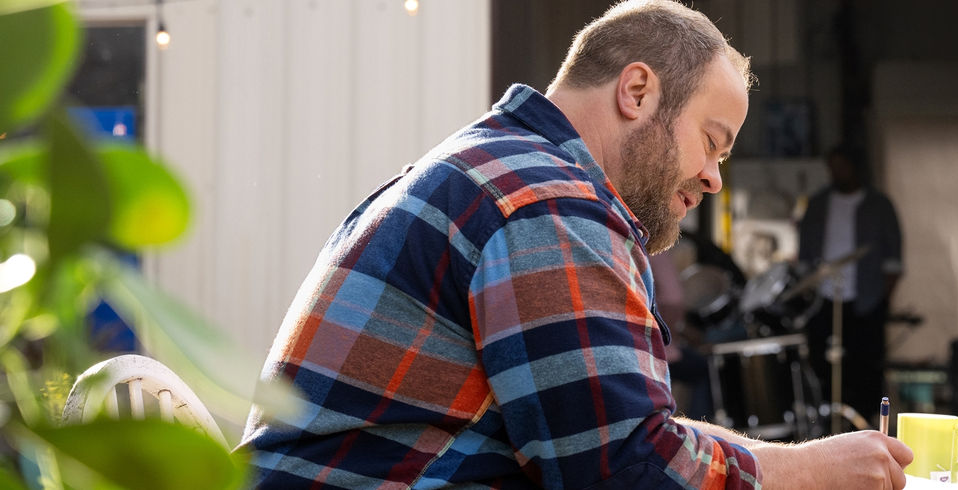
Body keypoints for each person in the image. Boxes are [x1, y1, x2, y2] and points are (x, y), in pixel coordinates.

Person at [238, 2, 911, 488]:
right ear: (639, 91)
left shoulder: (496, 167)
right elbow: (623, 473)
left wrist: (786, 463)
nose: (712, 177)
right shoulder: (550, 202)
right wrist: (811, 470)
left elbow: (623, 438)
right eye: (712, 142)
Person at [797, 144, 904, 428]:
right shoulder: (818, 204)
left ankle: (865, 424)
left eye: (840, 166)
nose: (835, 173)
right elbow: (805, 254)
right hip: (824, 298)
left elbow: (893, 259)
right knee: (821, 362)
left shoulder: (879, 205)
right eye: (831, 167)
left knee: (866, 366)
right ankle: (823, 421)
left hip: (866, 299)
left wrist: (882, 300)